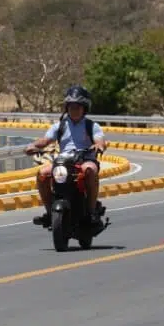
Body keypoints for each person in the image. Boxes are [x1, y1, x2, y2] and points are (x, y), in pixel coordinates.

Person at [24, 85, 107, 228]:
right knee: (42, 174)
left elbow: (100, 140)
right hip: (63, 162)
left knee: (90, 170)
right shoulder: (59, 126)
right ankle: (49, 211)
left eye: (78, 107)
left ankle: (91, 211)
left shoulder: (92, 126)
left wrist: (99, 146)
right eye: (71, 107)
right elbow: (45, 140)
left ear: (84, 108)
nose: (74, 110)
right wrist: (33, 146)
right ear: (67, 108)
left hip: (84, 159)